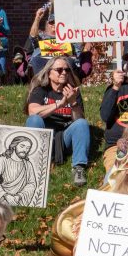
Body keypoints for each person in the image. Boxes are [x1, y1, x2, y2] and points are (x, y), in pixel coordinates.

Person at [25, 55, 90, 186]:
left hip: (64, 139)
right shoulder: (41, 90)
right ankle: (35, 163)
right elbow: (33, 111)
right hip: (43, 137)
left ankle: (78, 167)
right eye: (59, 70)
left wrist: (73, 103)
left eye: (67, 70)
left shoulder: (72, 91)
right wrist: (59, 104)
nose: (64, 72)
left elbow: (79, 122)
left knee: (82, 123)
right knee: (34, 120)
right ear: (49, 73)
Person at [0, 134, 36, 205]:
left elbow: (31, 184)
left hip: (18, 200)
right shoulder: (1, 161)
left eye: (28, 148)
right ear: (14, 146)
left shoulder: (28, 165)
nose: (25, 150)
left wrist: (19, 196)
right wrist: (5, 195)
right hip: (1, 200)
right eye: (22, 146)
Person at [25, 9, 73, 74]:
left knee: (71, 61)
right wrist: (37, 18)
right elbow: (32, 36)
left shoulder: (67, 36)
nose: (54, 24)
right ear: (47, 24)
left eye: (57, 22)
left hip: (62, 60)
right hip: (44, 60)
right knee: (36, 60)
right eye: (51, 22)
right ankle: (40, 82)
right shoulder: (41, 35)